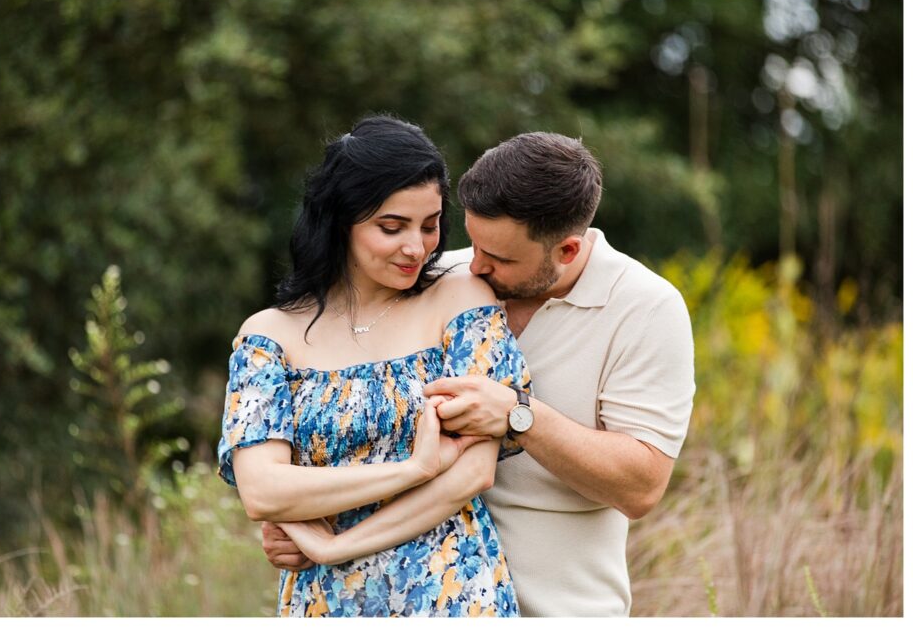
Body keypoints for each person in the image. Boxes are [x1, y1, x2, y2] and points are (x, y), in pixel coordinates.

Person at [261, 131, 695, 617]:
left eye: (501, 258)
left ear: (567, 251)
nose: (475, 265)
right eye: (472, 241)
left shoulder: (646, 309)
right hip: (413, 597)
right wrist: (302, 523)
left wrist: (518, 415)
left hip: (559, 608)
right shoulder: (443, 278)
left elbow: (641, 486)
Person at [216, 115, 533, 617]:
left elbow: (473, 472)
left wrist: (336, 547)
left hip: (452, 594)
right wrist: (413, 468)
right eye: (392, 227)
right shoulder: (268, 336)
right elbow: (263, 490)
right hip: (326, 603)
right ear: (340, 222)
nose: (417, 247)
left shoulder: (462, 301)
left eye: (429, 226)